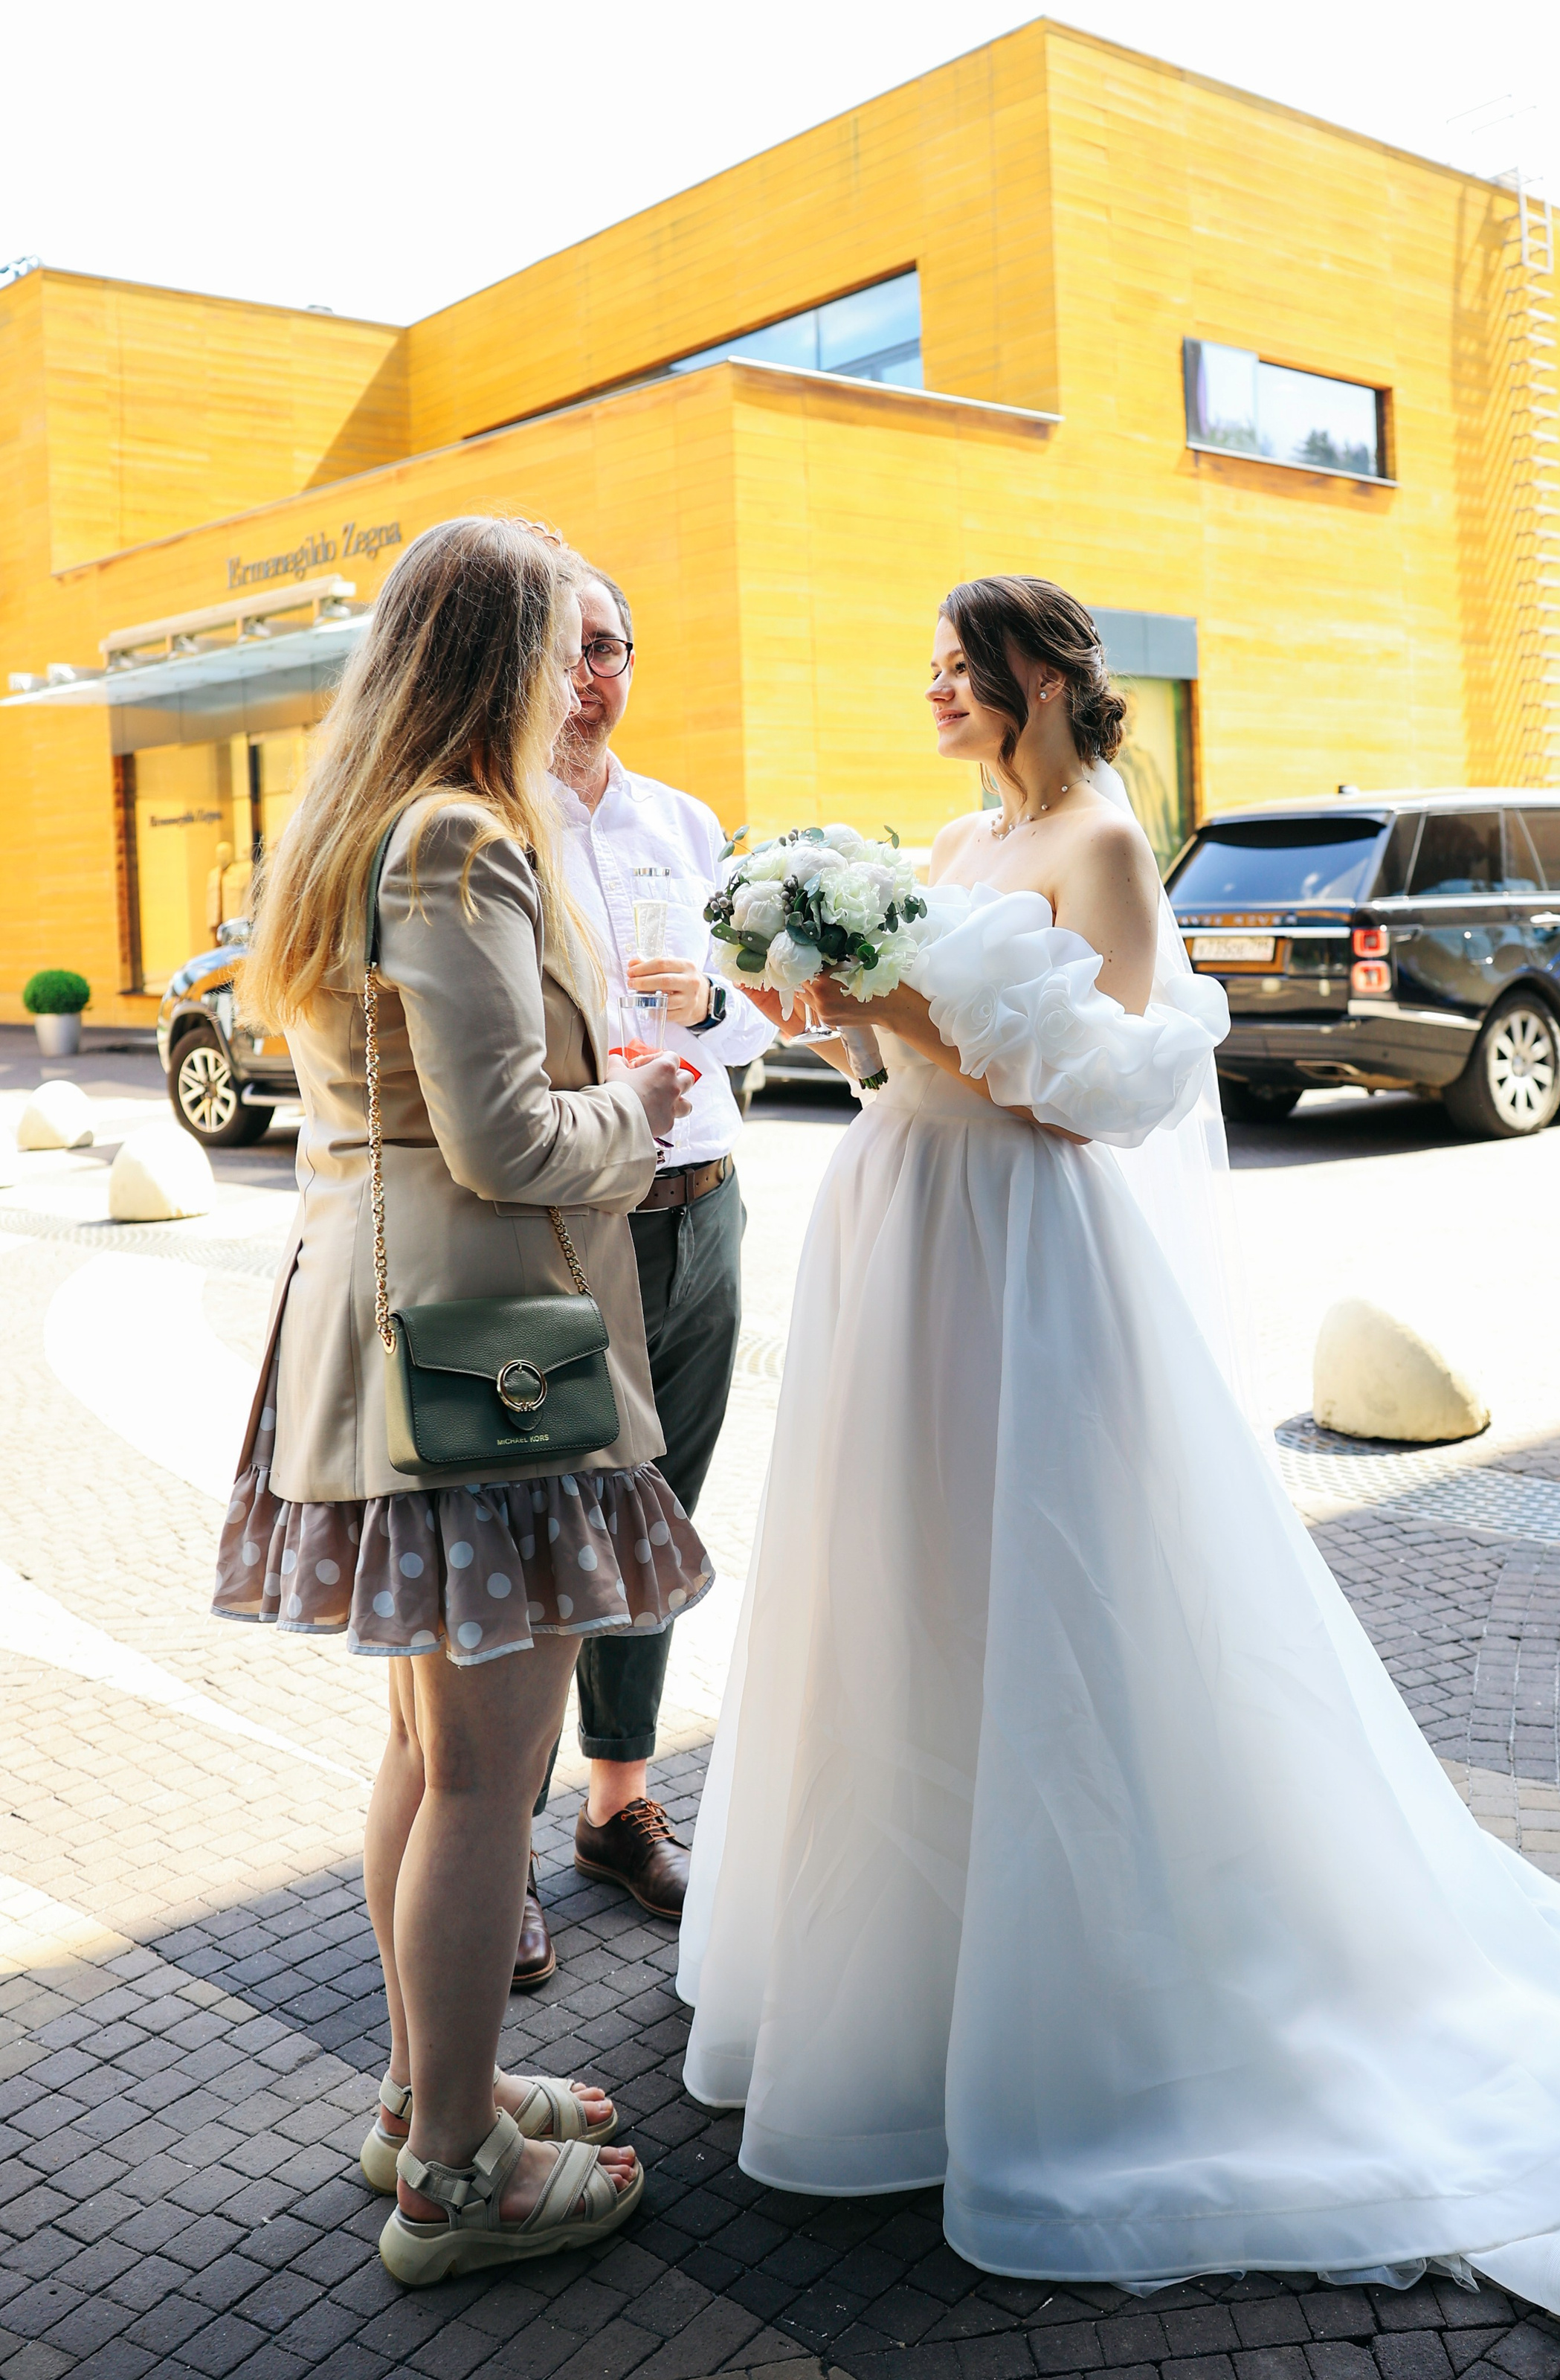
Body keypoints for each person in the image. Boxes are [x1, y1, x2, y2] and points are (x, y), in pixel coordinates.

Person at [676, 575, 1560, 2346]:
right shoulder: (946, 833)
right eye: (926, 657)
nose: (933, 684)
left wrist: (900, 1007)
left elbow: (1085, 1093)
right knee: (901, 1590)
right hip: (899, 1235)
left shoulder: (1098, 849)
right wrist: (834, 1016)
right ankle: (902, 2001)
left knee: (1043, 1599)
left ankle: (1071, 2002)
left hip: (1016, 1251)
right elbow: (902, 1077)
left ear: (1030, 682)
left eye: (959, 663)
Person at [213, 515, 710, 2285]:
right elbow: (506, 1137)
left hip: (399, 1327)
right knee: (491, 1775)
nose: (583, 670)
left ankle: (436, 2093)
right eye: (559, 639)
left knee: (433, 1756)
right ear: (496, 660)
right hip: (487, 1352)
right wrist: (643, 1109)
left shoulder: (374, 820)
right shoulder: (456, 842)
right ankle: (452, 2173)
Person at [516, 561, 778, 1980]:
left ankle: (617, 1807)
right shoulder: (498, 828)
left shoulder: (684, 823)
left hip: (707, 1205)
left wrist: (717, 1002)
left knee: (663, 1514)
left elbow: (753, 1032)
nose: (589, 677)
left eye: (609, 647)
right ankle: (493, 1849)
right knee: (549, 1521)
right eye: (561, 652)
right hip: (578, 1223)